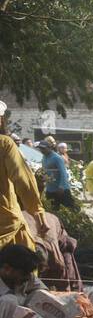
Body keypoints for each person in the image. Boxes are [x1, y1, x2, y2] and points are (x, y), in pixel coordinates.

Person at [0, 101, 44, 250]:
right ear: (1, 120)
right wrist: (37, 213)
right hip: (5, 226)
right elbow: (23, 182)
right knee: (25, 264)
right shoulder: (5, 144)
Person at [39, 138, 75, 210]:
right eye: (40, 149)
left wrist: (61, 186)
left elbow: (63, 173)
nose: (42, 150)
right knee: (53, 210)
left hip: (61, 189)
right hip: (50, 189)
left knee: (67, 209)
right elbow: (44, 171)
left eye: (43, 148)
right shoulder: (44, 158)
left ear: (49, 148)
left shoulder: (56, 158)